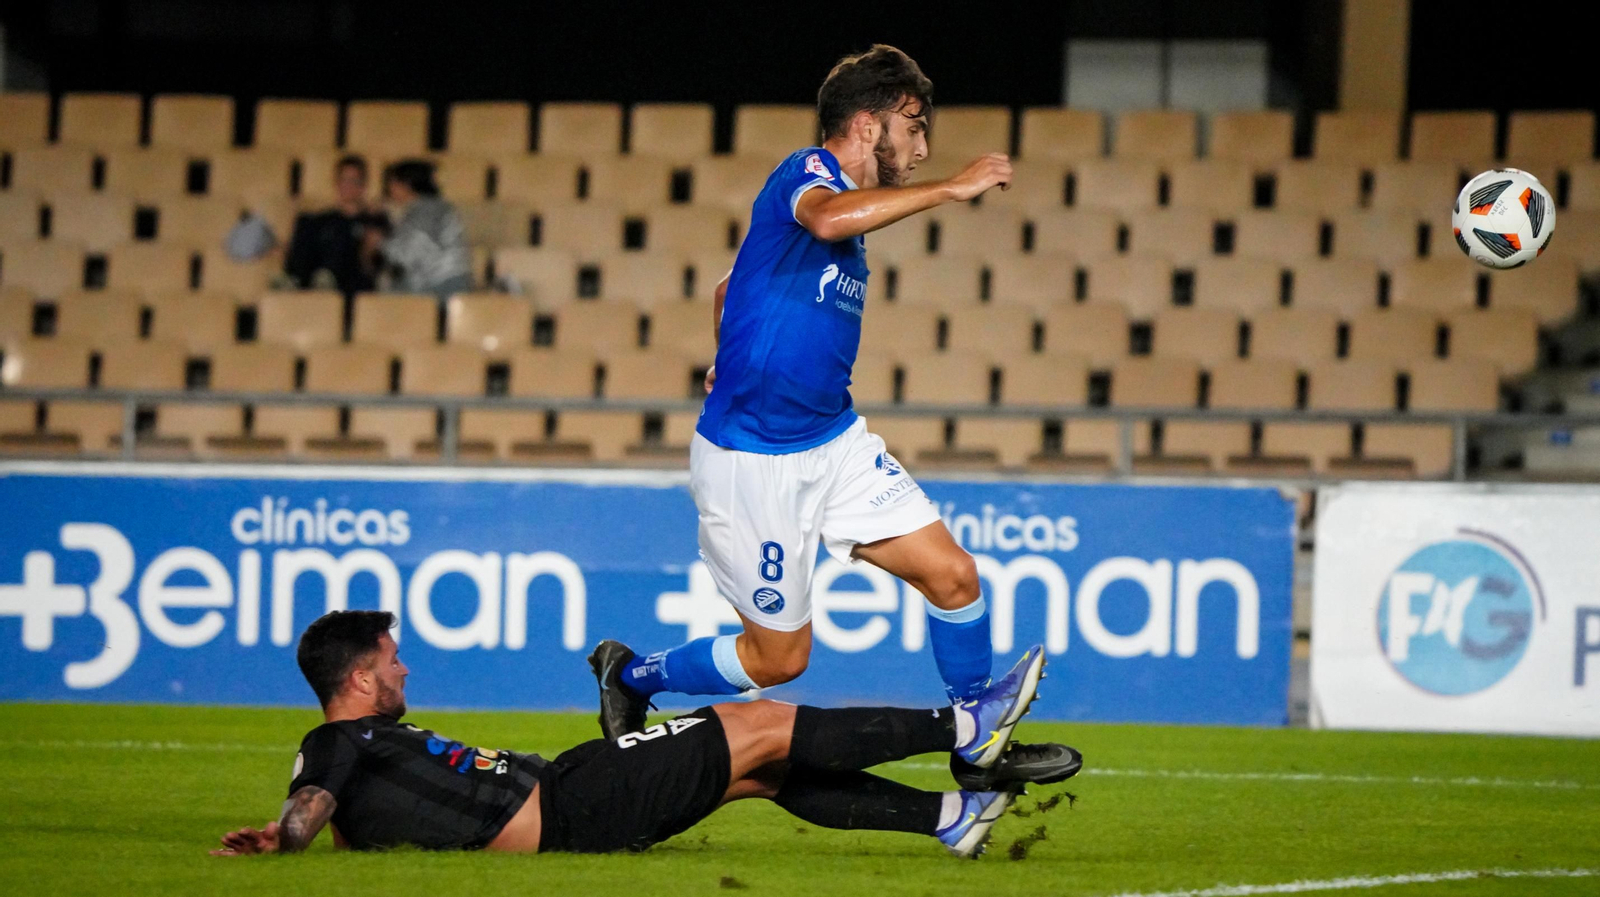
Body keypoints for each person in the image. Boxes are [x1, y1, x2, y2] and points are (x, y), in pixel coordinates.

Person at [590, 44, 1018, 781]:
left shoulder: (846, 230)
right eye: (913, 126)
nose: (921, 147)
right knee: (778, 659)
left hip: (834, 441)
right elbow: (821, 221)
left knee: (954, 576)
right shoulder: (805, 176)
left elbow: (730, 285)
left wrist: (727, 348)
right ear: (865, 122)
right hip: (751, 460)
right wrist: (952, 189)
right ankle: (631, 677)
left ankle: (977, 741)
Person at [210, 611, 1073, 860]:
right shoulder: (338, 741)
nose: (404, 672)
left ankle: (948, 818)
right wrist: (283, 837)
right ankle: (963, 722)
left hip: (569, 795)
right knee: (757, 721)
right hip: (568, 804)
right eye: (391, 661)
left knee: (758, 771)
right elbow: (311, 800)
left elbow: (336, 808)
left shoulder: (361, 744)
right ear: (357, 678)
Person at [281, 154, 387, 296]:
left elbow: (376, 265)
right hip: (315, 276)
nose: (348, 186)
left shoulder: (374, 220)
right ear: (336, 183)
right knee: (307, 223)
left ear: (363, 185)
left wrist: (369, 249)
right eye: (344, 180)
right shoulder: (320, 219)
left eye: (354, 181)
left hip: (353, 281)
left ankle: (324, 279)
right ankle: (297, 280)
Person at [377, 159, 473, 300]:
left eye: (393, 183)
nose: (390, 189)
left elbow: (410, 255)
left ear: (407, 184)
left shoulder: (429, 210)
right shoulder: (425, 209)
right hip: (431, 285)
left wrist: (379, 242)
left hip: (443, 287)